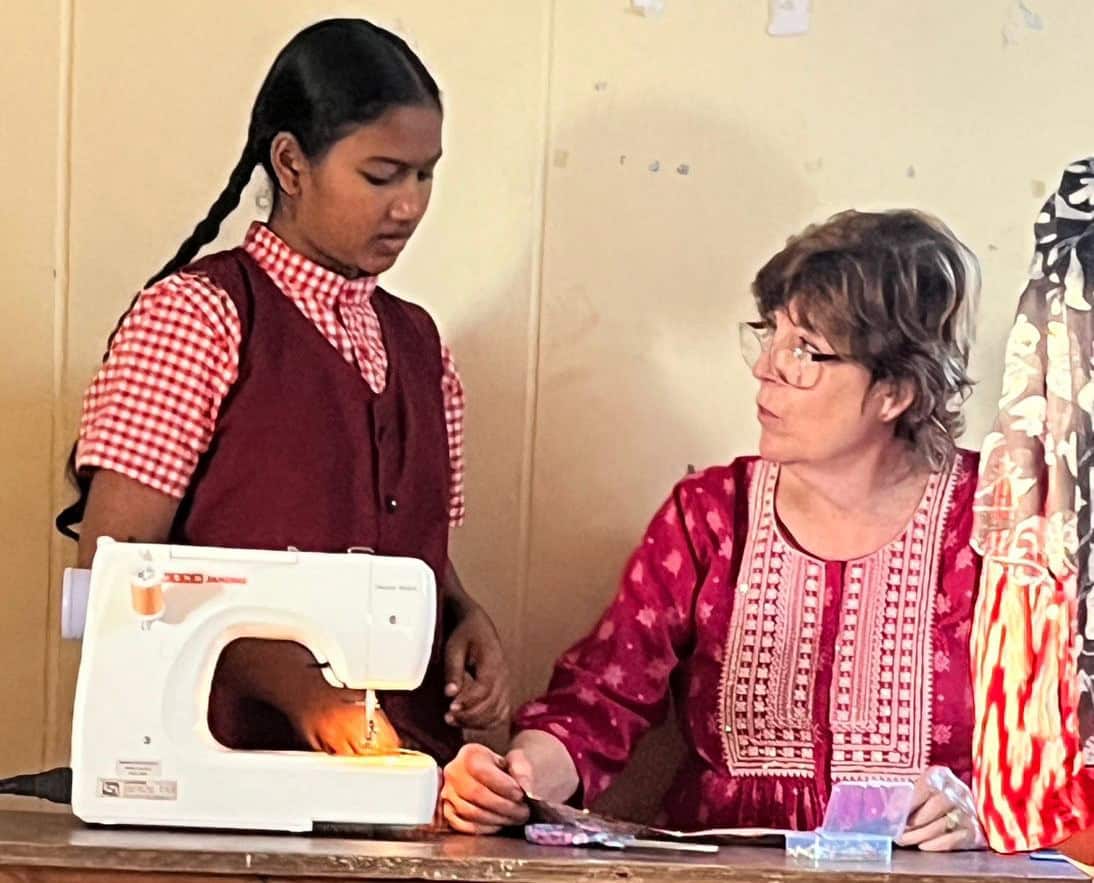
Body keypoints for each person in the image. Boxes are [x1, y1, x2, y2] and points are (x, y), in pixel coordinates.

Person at [442, 209, 986, 851]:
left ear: (895, 391)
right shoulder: (711, 515)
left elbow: (1059, 748)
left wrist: (981, 812)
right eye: (769, 336)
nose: (766, 370)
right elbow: (599, 700)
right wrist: (513, 778)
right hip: (726, 868)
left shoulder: (995, 529)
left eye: (805, 352)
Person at [58, 18, 507, 762]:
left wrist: (464, 615)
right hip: (221, 770)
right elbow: (119, 577)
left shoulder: (422, 346)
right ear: (292, 165)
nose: (410, 206)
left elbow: (416, 551)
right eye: (382, 174)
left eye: (426, 174)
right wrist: (300, 690)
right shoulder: (198, 319)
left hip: (397, 778)